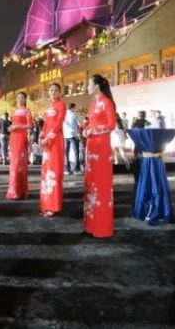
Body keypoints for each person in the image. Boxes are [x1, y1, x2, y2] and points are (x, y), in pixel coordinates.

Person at [83, 74, 117, 238]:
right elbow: (92, 122)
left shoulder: (106, 102)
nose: (87, 87)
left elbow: (111, 125)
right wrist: (86, 127)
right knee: (91, 183)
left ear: (96, 86)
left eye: (89, 84)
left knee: (101, 184)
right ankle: (91, 224)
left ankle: (102, 227)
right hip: (91, 147)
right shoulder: (93, 104)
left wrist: (93, 130)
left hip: (102, 148)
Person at [39, 84, 66, 217]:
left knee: (54, 172)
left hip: (55, 141)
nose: (53, 92)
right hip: (47, 142)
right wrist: (41, 136)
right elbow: (46, 124)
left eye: (56, 90)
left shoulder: (61, 105)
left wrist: (48, 138)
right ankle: (46, 204)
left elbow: (58, 124)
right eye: (51, 90)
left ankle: (54, 206)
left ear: (60, 92)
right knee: (46, 172)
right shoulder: (50, 107)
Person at [6, 92, 33, 200]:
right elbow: (13, 125)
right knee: (13, 165)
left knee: (19, 164)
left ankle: (20, 191)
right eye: (18, 98)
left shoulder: (27, 111)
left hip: (21, 138)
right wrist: (11, 128)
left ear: (25, 99)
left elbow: (30, 125)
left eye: (22, 98)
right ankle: (13, 190)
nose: (20, 99)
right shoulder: (14, 111)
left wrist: (17, 126)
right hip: (13, 138)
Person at [63, 103, 81, 174]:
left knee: (66, 152)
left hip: (65, 135)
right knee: (76, 152)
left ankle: (67, 169)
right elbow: (80, 124)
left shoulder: (64, 114)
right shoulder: (74, 114)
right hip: (73, 135)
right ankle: (77, 169)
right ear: (73, 108)